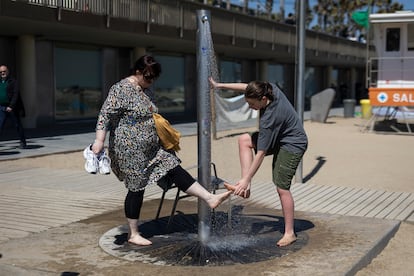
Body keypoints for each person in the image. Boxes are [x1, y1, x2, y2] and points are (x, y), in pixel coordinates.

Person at [90, 55, 232, 246]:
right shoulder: (120, 89)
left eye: (154, 78)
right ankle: (133, 233)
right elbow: (104, 115)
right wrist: (99, 140)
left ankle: (209, 198)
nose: (151, 81)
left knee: (173, 167)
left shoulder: (146, 88)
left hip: (153, 148)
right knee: (136, 189)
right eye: (148, 77)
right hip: (130, 151)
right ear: (138, 72)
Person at [209, 77, 308, 247]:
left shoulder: (269, 120)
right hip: (281, 137)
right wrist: (220, 86)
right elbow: (246, 87)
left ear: (263, 100)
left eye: (252, 104)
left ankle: (289, 233)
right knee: (244, 140)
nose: (250, 107)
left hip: (293, 144)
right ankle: (245, 187)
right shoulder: (270, 89)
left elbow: (260, 154)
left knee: (282, 187)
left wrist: (248, 177)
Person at [0, 65, 27, 149]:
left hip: (12, 108)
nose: (2, 73)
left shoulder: (13, 81)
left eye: (4, 71)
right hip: (1, 107)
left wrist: (11, 106)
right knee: (0, 125)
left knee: (17, 125)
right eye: (0, 72)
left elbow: (16, 95)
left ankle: (22, 142)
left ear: (7, 71)